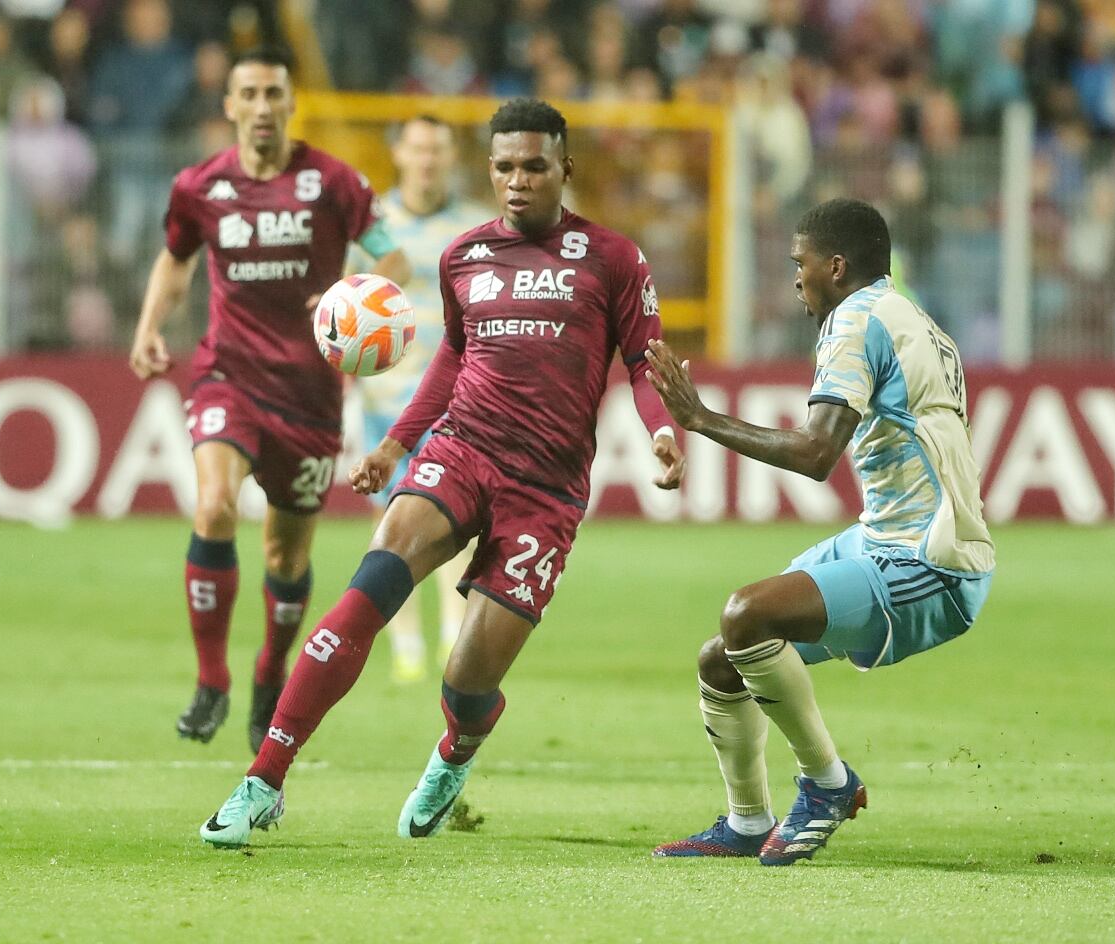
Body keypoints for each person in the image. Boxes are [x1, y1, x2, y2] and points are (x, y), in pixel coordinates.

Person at [198, 97, 686, 847]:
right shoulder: (464, 256)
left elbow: (642, 364)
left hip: (546, 492)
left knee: (466, 682)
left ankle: (457, 747)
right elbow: (452, 358)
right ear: (488, 170)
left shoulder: (612, 258)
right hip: (460, 452)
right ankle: (263, 779)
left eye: (533, 166)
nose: (516, 181)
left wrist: (660, 431)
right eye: (503, 168)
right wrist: (398, 445)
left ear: (564, 168)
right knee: (365, 597)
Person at [645, 198, 994, 865]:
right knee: (723, 658)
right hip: (885, 535)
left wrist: (699, 418)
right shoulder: (912, 318)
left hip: (929, 558)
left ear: (835, 266)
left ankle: (827, 785)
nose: (794, 280)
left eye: (798, 265)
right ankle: (748, 821)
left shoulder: (854, 319)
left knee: (746, 615)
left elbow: (814, 454)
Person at [128, 48, 410, 754]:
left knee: (285, 556)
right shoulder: (199, 186)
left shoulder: (331, 182)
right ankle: (211, 680)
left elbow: (392, 256)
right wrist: (148, 327)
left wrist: (357, 295)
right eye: (248, 93)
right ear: (229, 106)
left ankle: (267, 673)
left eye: (273, 94)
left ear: (290, 104)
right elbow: (176, 258)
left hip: (311, 395)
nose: (261, 106)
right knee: (215, 505)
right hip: (229, 376)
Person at [354, 114, 489, 683]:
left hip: (454, 403)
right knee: (393, 523)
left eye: (438, 149)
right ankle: (406, 644)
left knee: (449, 520)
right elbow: (344, 310)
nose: (428, 160)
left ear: (450, 157)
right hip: (384, 400)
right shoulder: (370, 229)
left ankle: (453, 639)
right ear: (400, 154)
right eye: (418, 148)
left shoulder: (475, 228)